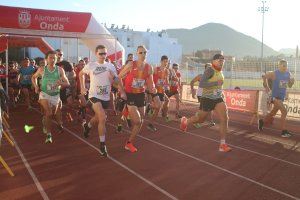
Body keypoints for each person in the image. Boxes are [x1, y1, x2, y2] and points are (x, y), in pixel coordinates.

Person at [80, 45, 126, 157]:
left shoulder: (110, 66)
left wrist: (122, 91)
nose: (103, 56)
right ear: (96, 54)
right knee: (102, 117)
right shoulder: (91, 65)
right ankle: (102, 145)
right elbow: (80, 74)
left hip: (105, 96)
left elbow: (116, 80)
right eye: (101, 53)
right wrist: (82, 87)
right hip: (93, 95)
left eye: (105, 53)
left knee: (98, 117)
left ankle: (88, 126)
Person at [180, 54, 232, 152]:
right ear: (214, 61)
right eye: (220, 60)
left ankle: (222, 144)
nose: (222, 62)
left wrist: (222, 93)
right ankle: (185, 122)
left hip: (217, 98)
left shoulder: (220, 72)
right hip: (207, 98)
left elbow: (219, 86)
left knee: (225, 118)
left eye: (223, 61)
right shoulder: (210, 70)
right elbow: (202, 83)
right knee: (200, 120)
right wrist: (216, 83)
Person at [118, 45, 158, 153]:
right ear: (137, 54)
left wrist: (153, 89)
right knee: (137, 120)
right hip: (130, 94)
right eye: (141, 53)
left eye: (145, 53)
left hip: (141, 95)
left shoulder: (149, 68)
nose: (143, 55)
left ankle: (129, 143)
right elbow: (118, 77)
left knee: (140, 122)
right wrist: (122, 91)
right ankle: (128, 109)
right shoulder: (131, 65)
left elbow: (150, 83)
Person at [32, 51, 70, 143]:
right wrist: (36, 86)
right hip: (44, 94)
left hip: (55, 95)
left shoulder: (60, 70)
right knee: (49, 113)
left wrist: (61, 83)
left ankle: (54, 123)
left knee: (55, 113)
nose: (52, 60)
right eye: (50, 58)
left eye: (54, 58)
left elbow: (67, 83)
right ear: (46, 59)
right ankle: (49, 135)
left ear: (56, 59)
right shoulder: (41, 69)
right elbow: (33, 77)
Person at [258, 59, 294, 137]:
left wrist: (292, 82)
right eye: (284, 65)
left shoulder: (288, 74)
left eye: (286, 65)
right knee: (284, 111)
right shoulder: (274, 73)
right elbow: (264, 76)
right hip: (275, 97)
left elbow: (289, 85)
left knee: (273, 113)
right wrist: (266, 86)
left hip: (281, 97)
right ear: (279, 66)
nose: (285, 67)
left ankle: (262, 121)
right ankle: (283, 132)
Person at [190, 63, 215, 128]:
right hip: (201, 95)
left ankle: (211, 120)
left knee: (210, 109)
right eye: (208, 67)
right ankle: (195, 121)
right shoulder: (200, 76)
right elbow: (192, 82)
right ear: (205, 68)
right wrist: (192, 91)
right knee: (203, 110)